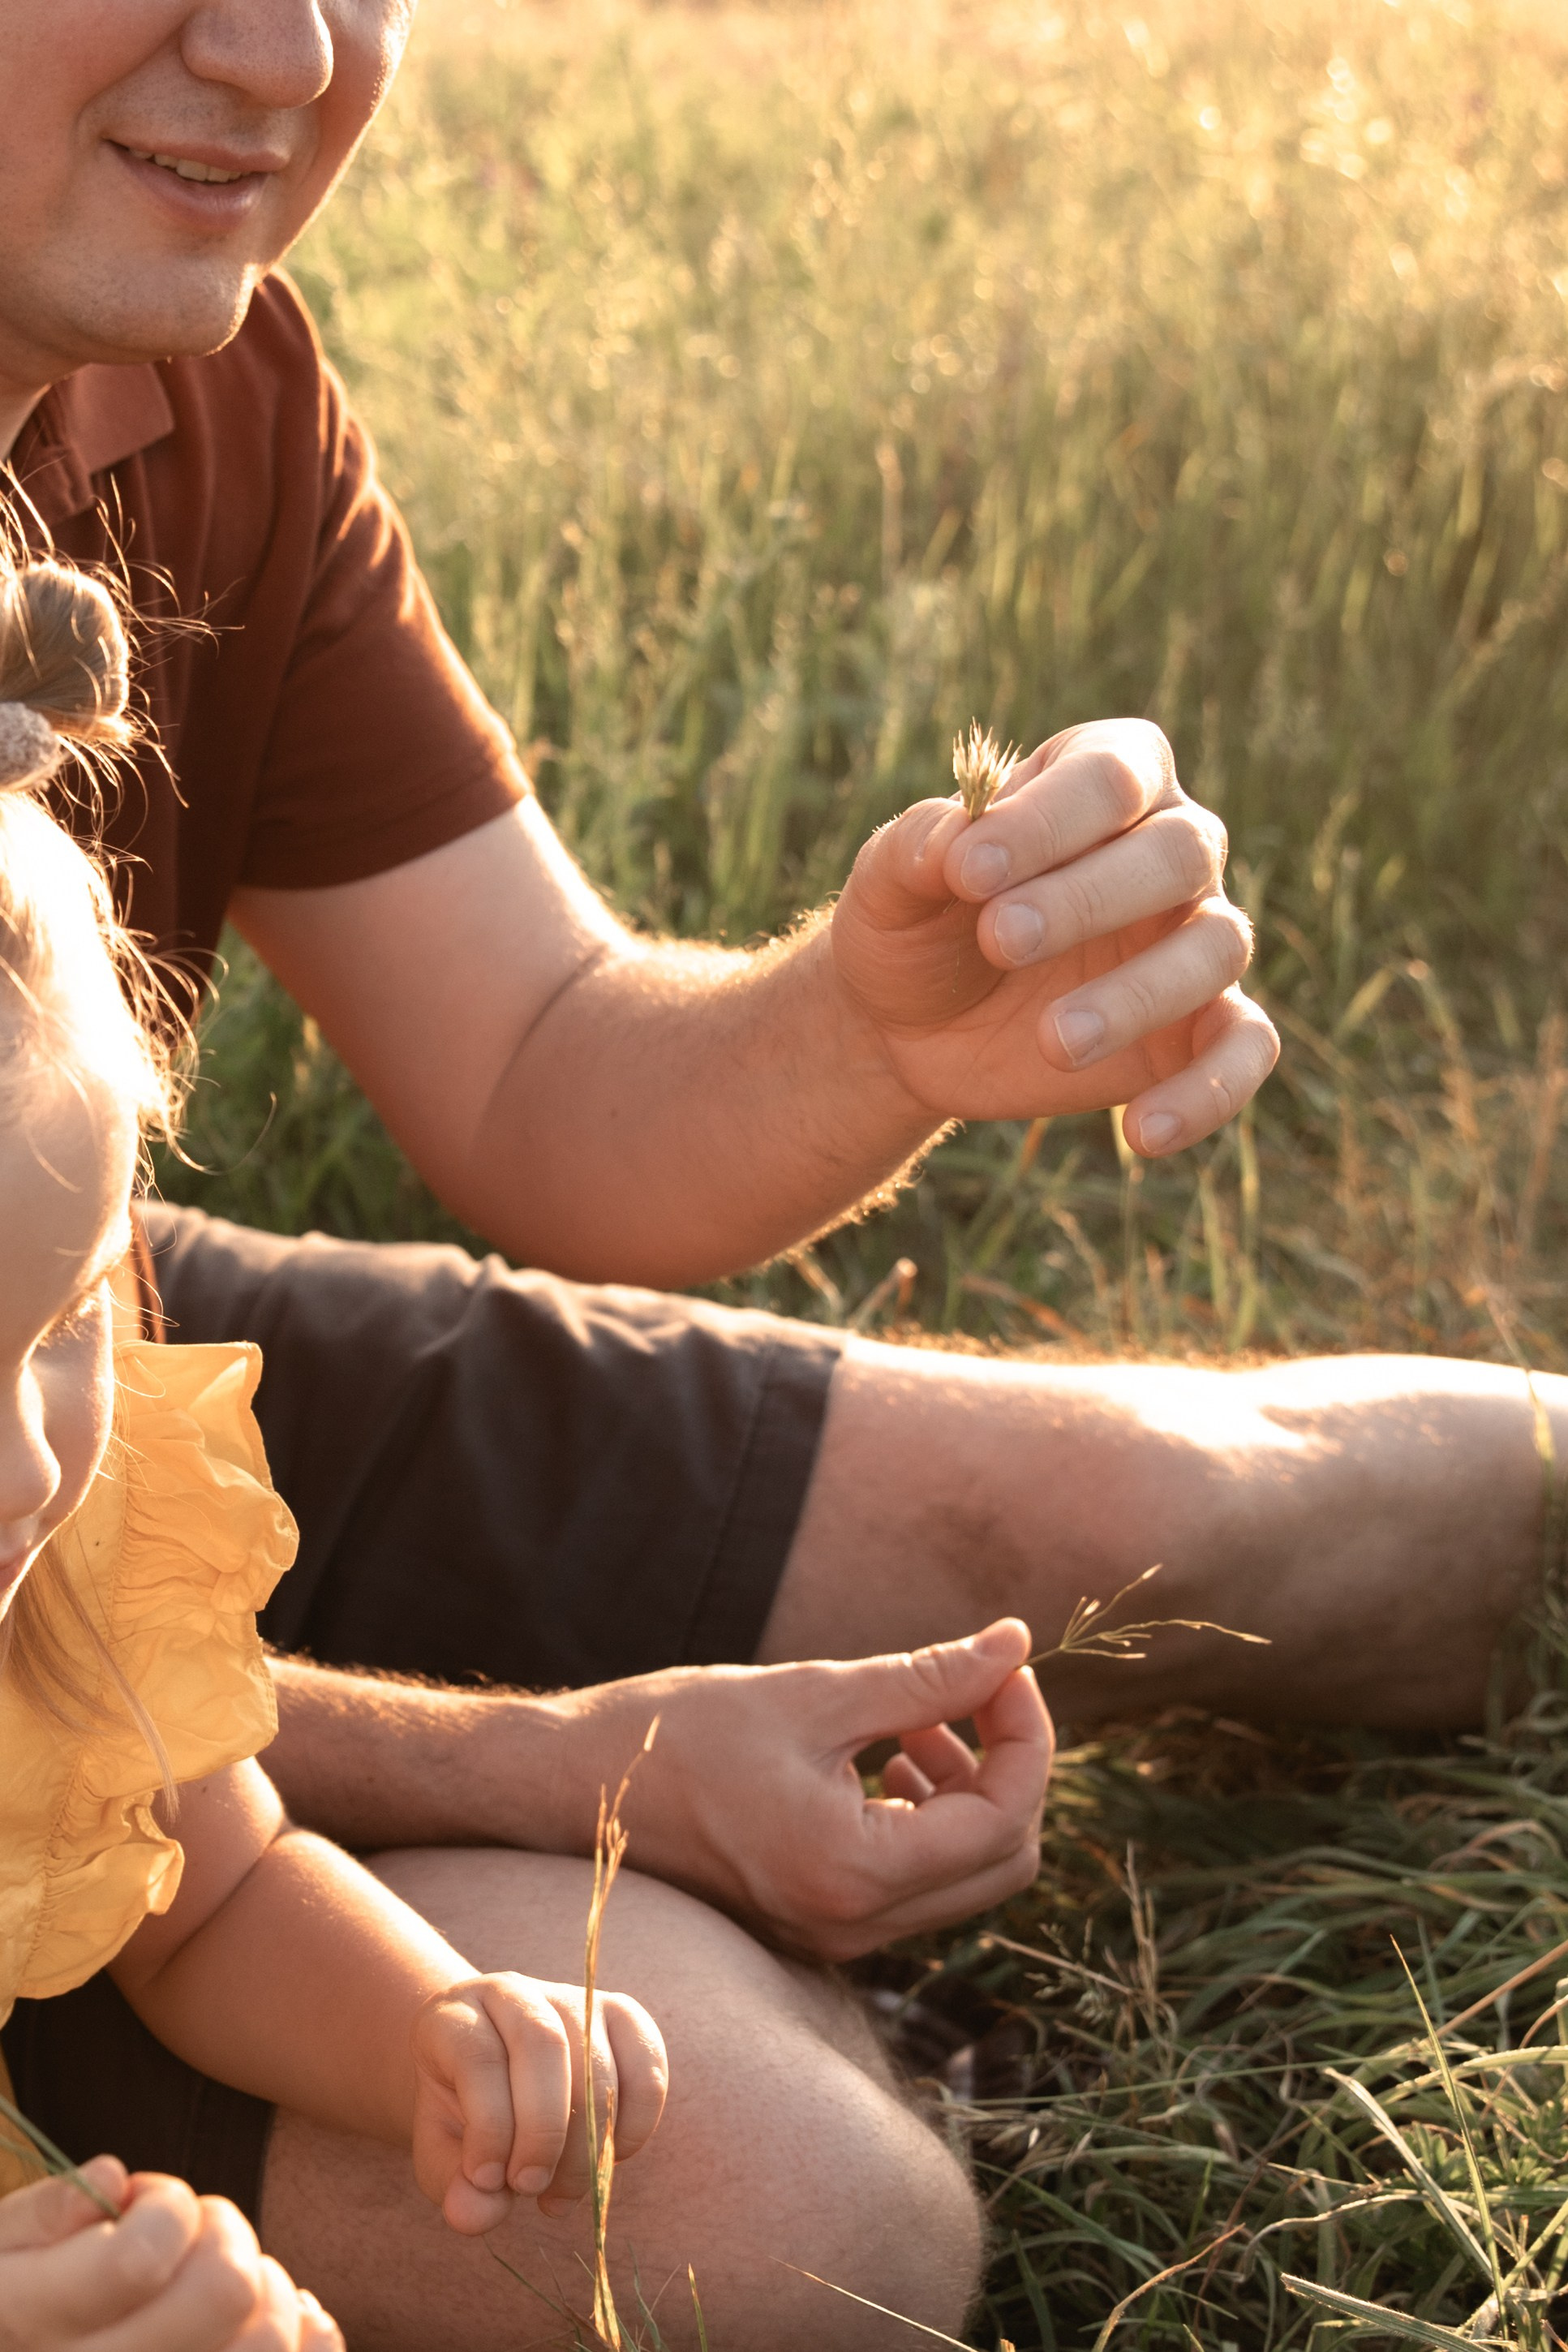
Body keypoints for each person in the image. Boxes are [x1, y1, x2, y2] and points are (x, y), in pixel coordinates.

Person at [0, 4, 1557, 2343]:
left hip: (99, 1333)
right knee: (781, 2221)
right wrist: (564, 1764)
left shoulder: (196, 382)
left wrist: (867, 1024)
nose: (286, 46)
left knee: (1353, 1501)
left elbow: (532, 1069)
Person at [0, 556, 684, 2345]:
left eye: (65, 1323)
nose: (25, 1466)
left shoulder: (64, 1569)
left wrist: (421, 2027)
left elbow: (209, 1899)